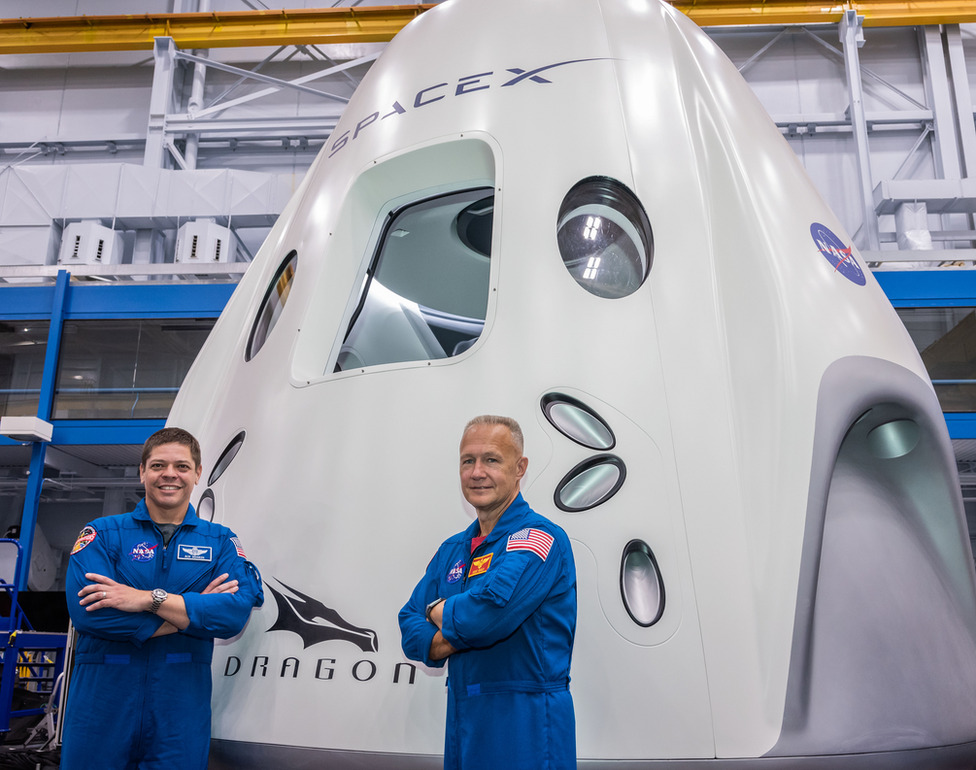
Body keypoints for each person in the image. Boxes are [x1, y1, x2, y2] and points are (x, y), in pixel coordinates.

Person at [60, 427, 264, 770]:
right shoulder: (103, 534)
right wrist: (193, 613)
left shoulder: (221, 543)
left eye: (182, 466)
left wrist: (145, 599)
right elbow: (90, 615)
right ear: (142, 471)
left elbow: (232, 617)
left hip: (179, 711)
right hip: (101, 706)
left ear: (198, 473)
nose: (170, 474)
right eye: (158, 465)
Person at [399, 415, 577, 770]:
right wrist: (457, 624)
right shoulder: (453, 549)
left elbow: (485, 617)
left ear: (519, 467)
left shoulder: (538, 539)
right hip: (464, 723)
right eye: (468, 461)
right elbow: (408, 622)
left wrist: (436, 609)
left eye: (491, 460)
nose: (477, 472)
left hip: (525, 725)